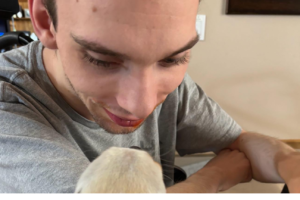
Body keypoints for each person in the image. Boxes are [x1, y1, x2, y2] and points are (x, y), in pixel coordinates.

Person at [0, 0, 298, 194]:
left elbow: (239, 142)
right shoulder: (9, 106)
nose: (141, 106)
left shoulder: (167, 87)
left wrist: (290, 162)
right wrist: (210, 180)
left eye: (172, 59)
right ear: (45, 21)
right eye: (102, 60)